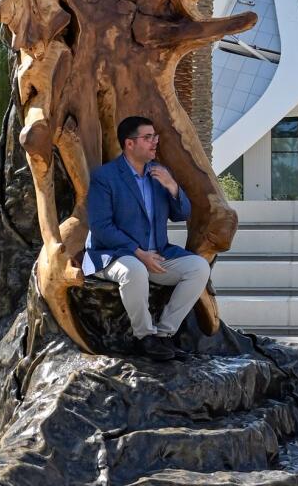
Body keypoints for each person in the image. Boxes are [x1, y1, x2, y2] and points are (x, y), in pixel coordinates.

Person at [84, 115, 211, 361]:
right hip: (114, 255)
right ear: (129, 144)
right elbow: (101, 227)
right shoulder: (105, 177)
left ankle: (164, 335)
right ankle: (145, 337)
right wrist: (138, 252)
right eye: (148, 137)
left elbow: (181, 214)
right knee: (134, 270)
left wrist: (173, 186)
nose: (155, 142)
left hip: (157, 254)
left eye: (155, 137)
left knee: (198, 268)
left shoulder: (159, 175)